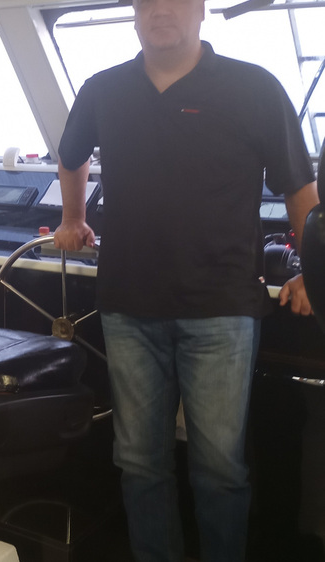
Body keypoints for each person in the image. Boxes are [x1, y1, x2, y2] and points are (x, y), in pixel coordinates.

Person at [53, 0, 320, 560]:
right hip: (128, 305)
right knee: (139, 462)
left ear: (200, 10)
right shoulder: (103, 89)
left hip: (222, 310)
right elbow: (71, 154)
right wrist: (73, 218)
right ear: (134, 14)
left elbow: (299, 186)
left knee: (219, 469)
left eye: (174, 0)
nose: (161, 10)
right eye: (147, 1)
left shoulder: (254, 88)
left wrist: (314, 273)